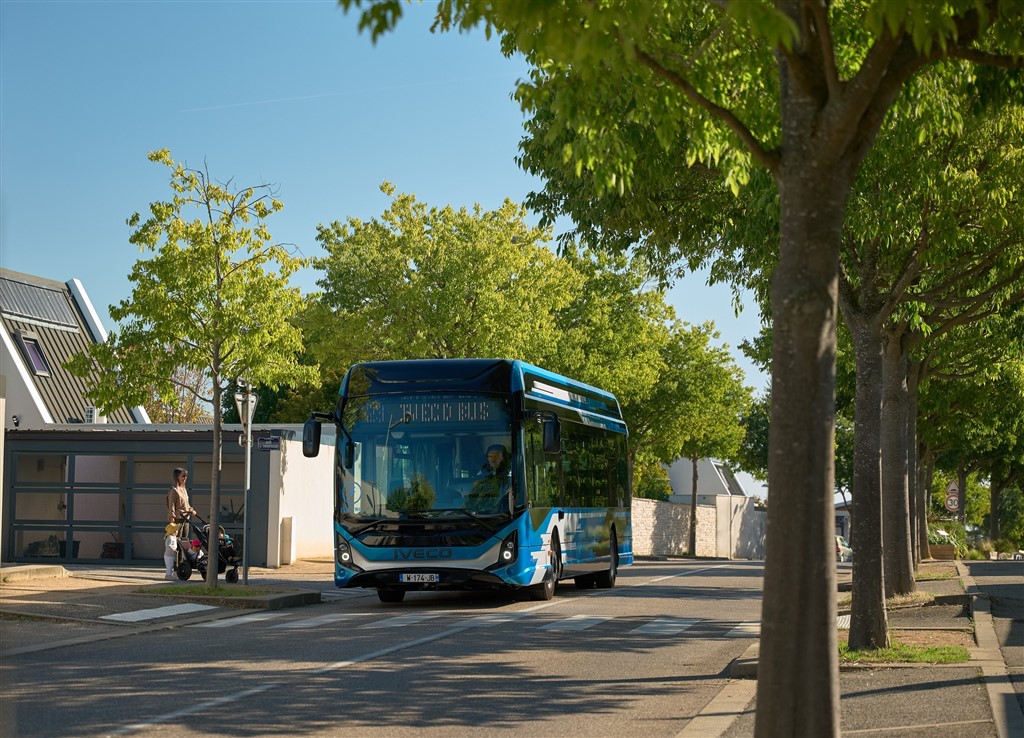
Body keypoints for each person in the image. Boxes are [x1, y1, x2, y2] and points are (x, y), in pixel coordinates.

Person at [466, 444, 510, 512]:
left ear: (502, 458)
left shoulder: (510, 479)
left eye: (496, 455)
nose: (493, 459)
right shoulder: (481, 478)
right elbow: (471, 502)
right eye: (490, 456)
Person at [167, 467, 196, 534]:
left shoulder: (184, 490)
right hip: (178, 519)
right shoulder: (174, 490)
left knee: (184, 541)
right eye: (183, 476)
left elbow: (186, 504)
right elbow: (171, 506)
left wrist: (191, 509)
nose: (185, 478)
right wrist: (172, 522)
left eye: (186, 476)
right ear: (177, 477)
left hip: (186, 519)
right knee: (178, 541)